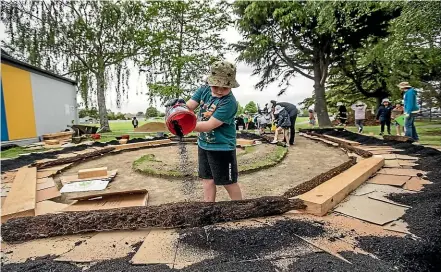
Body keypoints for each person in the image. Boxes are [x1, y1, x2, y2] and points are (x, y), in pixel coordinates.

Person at [166, 61, 243, 202]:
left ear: (231, 85)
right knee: (207, 179)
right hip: (203, 144)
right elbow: (189, 106)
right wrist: (177, 108)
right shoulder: (204, 89)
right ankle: (208, 209)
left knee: (228, 181)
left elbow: (209, 125)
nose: (220, 90)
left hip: (222, 147)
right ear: (209, 82)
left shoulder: (229, 103)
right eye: (216, 86)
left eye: (225, 87)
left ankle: (241, 207)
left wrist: (185, 126)